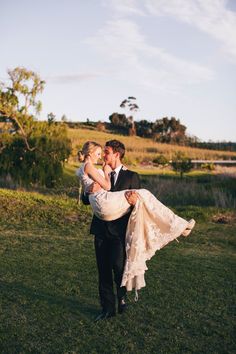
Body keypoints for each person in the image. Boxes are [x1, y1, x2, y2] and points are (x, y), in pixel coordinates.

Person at [76, 140, 195, 321]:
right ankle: (107, 309)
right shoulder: (98, 171)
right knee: (103, 271)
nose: (103, 155)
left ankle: (121, 297)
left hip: (119, 231)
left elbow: (138, 206)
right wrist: (87, 191)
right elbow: (86, 199)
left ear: (117, 154)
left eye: (106, 152)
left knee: (118, 266)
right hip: (101, 229)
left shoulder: (132, 176)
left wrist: (134, 202)